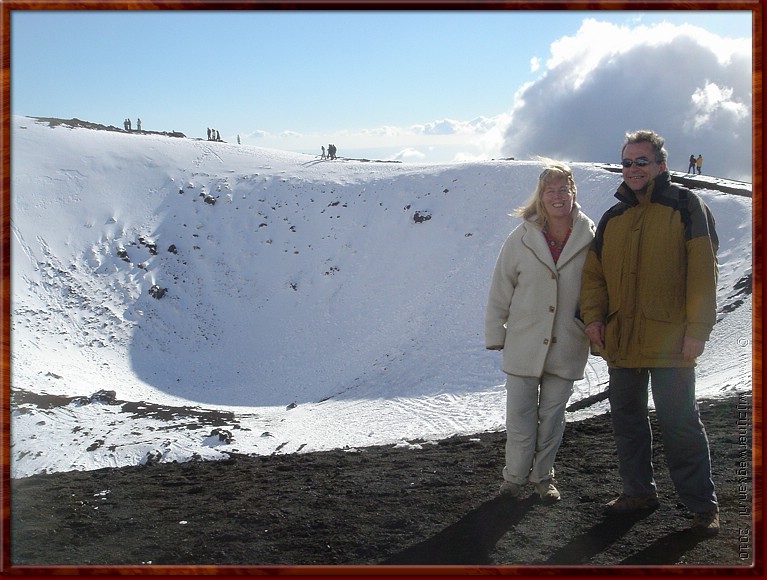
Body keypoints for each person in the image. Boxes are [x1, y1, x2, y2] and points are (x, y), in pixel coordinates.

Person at [580, 130, 720, 537]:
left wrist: (698, 330)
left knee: (680, 424)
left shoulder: (686, 205)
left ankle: (701, 506)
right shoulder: (614, 218)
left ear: (661, 165)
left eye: (642, 161)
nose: (633, 169)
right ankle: (638, 491)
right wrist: (593, 318)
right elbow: (594, 277)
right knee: (626, 420)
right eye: (627, 162)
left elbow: (703, 273)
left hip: (671, 339)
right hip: (622, 340)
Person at [485, 160, 595, 503]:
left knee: (552, 418)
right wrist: (495, 333)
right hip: (523, 340)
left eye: (564, 188)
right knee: (519, 417)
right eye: (551, 190)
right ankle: (514, 480)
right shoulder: (521, 237)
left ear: (574, 191)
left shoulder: (589, 236)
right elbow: (501, 286)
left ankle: (542, 479)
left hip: (568, 341)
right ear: (541, 195)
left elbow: (598, 286)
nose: (558, 196)